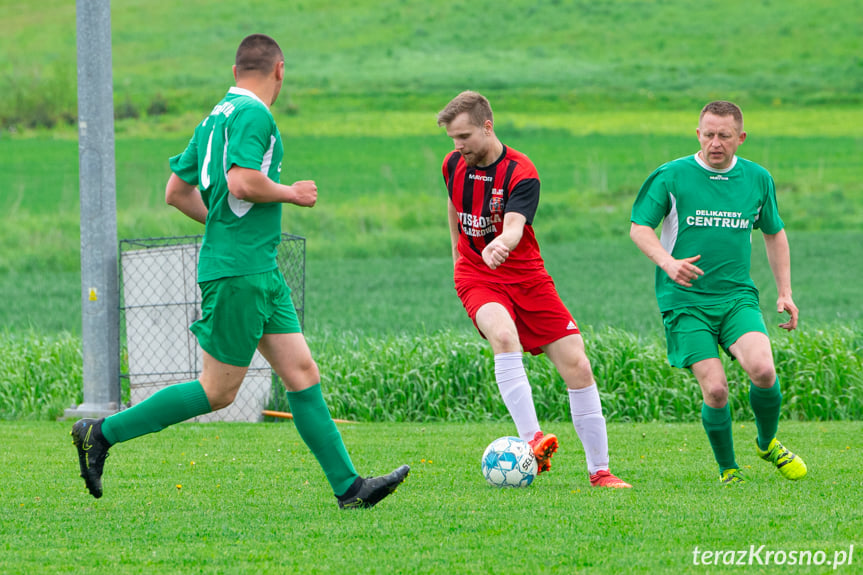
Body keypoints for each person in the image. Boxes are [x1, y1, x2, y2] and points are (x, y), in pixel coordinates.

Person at [71, 34, 409, 508]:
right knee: (218, 391)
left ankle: (350, 489)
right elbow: (241, 181)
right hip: (240, 271)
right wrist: (292, 192)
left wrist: (222, 227)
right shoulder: (255, 115)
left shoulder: (216, 116)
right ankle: (100, 433)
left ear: (235, 72)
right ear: (280, 70)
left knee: (301, 372)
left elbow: (175, 190)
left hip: (257, 268)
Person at [437, 91, 631, 488]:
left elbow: (514, 225)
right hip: (477, 274)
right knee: (503, 335)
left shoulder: (521, 172)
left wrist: (502, 243)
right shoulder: (453, 164)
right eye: (453, 139)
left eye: (464, 137)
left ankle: (601, 472)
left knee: (578, 366)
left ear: (487, 127)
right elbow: (454, 209)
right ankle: (533, 441)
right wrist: (458, 256)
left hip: (527, 276)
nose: (458, 147)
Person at [630, 100, 807, 485]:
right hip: (685, 302)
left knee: (762, 369)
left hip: (736, 297)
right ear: (698, 134)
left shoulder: (757, 179)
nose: (715, 142)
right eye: (708, 134)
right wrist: (667, 262)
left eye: (724, 136)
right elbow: (639, 227)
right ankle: (729, 470)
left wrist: (785, 292)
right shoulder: (671, 176)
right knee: (716, 390)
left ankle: (767, 442)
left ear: (739, 138)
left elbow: (774, 232)